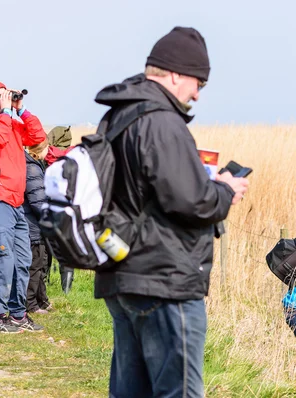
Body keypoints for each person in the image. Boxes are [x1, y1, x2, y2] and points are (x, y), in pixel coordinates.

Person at [94, 27, 249, 396]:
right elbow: (192, 202)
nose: (197, 94)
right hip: (164, 279)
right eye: (198, 83)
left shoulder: (119, 115)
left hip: (124, 273)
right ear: (176, 74)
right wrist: (225, 189)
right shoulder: (162, 121)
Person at [0, 81, 47, 333]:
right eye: (1, 96)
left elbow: (38, 137)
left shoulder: (11, 123)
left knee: (22, 260)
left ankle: (17, 314)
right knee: (4, 260)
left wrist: (20, 109)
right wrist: (4, 112)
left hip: (15, 202)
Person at [23, 139, 52, 313]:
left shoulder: (32, 165)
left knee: (40, 262)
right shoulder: (32, 168)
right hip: (33, 224)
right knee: (35, 265)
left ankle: (42, 300)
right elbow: (38, 201)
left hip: (33, 223)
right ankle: (30, 304)